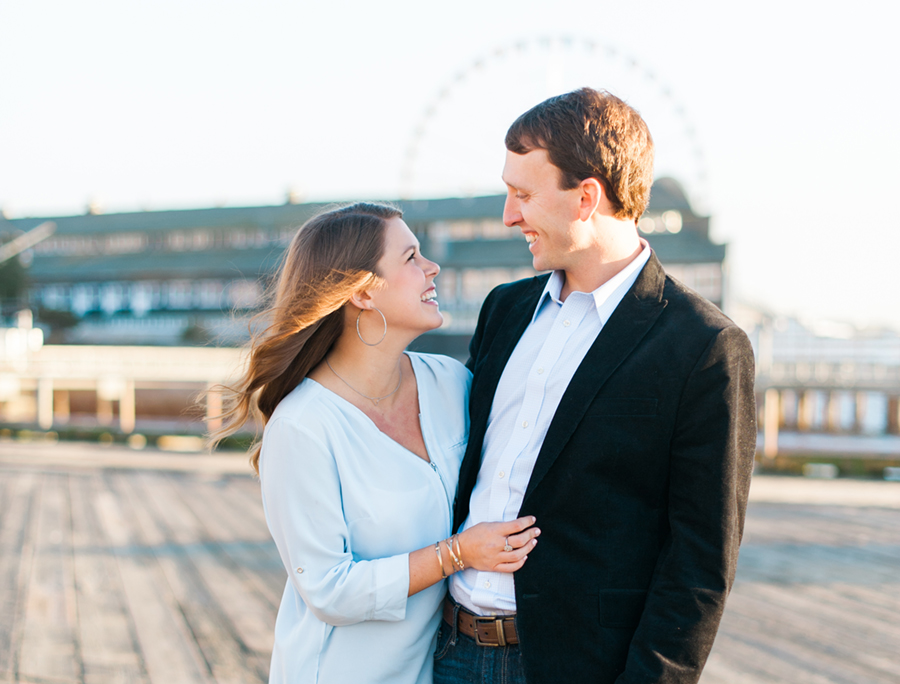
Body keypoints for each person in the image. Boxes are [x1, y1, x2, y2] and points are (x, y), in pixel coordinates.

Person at [434, 89, 757, 684]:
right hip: (446, 651)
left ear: (587, 197)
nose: (509, 216)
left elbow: (700, 564)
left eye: (524, 195)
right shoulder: (503, 310)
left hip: (575, 669)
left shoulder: (704, 346)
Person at [210, 203, 541, 684]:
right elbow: (327, 590)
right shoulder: (303, 425)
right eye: (411, 257)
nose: (432, 268)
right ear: (364, 291)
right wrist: (458, 553)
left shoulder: (451, 384)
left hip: (438, 669)